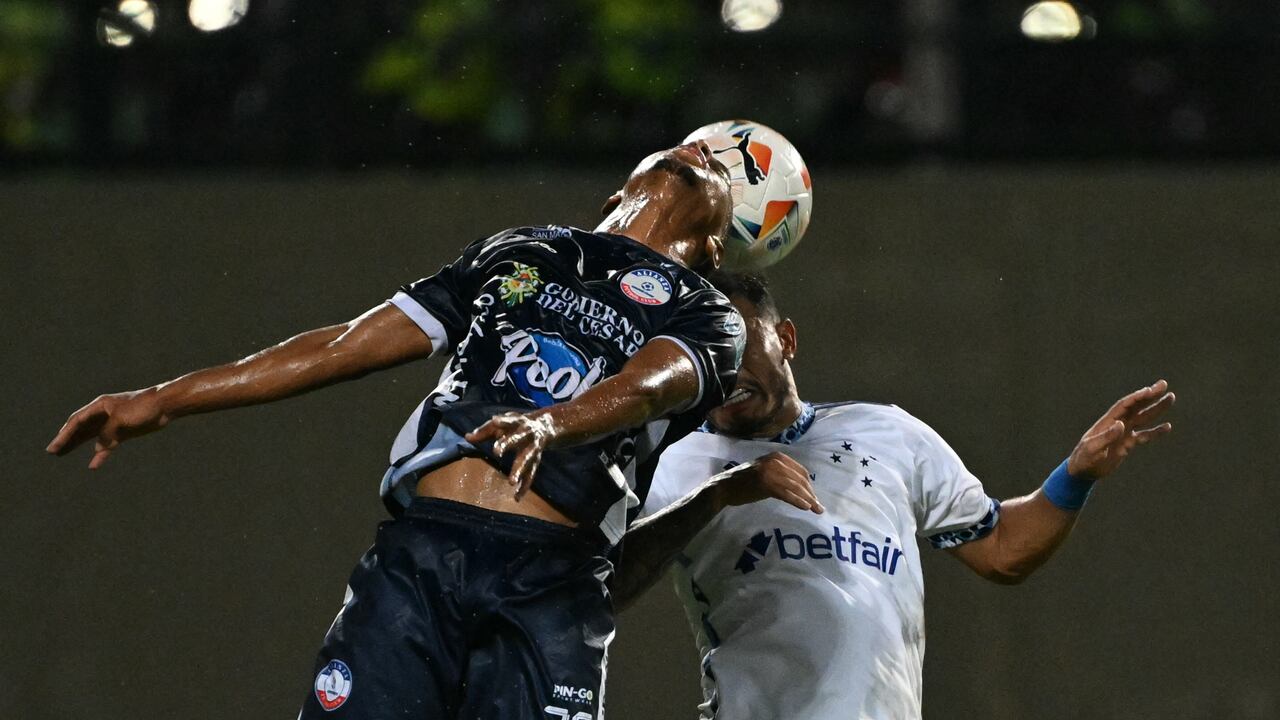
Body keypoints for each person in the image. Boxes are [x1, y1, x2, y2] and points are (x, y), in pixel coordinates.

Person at [46, 140, 747, 720]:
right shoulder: (521, 250)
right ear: (614, 191)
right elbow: (346, 343)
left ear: (714, 248)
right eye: (692, 149)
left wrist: (552, 424)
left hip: (552, 582)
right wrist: (168, 398)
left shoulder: (709, 315)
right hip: (422, 555)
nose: (704, 153)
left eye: (720, 171)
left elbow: (649, 386)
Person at [611, 272, 1176, 720]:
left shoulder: (890, 434)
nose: (727, 369)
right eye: (708, 354)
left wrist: (1076, 474)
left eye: (737, 341)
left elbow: (1003, 549)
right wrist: (720, 495)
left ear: (785, 340)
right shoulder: (676, 461)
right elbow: (607, 585)